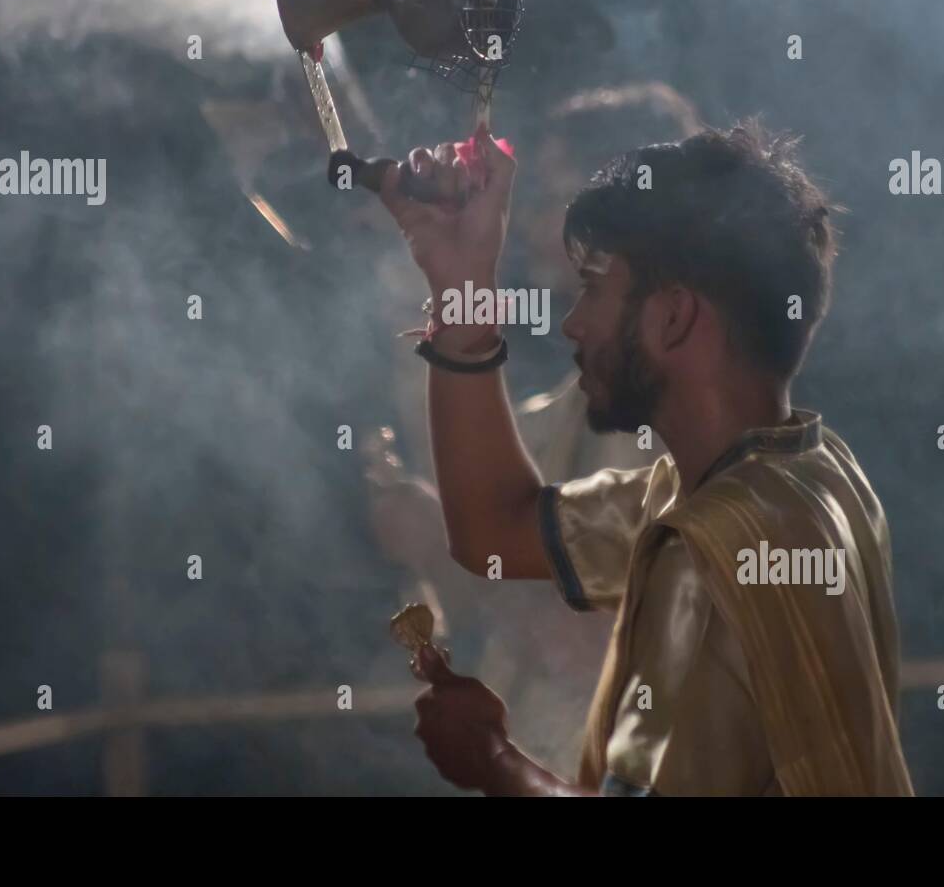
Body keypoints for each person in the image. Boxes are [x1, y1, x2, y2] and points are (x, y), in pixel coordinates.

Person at [379, 115, 914, 796]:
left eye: (596, 289)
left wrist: (491, 760)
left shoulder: (711, 550)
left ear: (672, 316)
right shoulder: (809, 474)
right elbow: (495, 526)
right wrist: (459, 279)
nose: (574, 323)